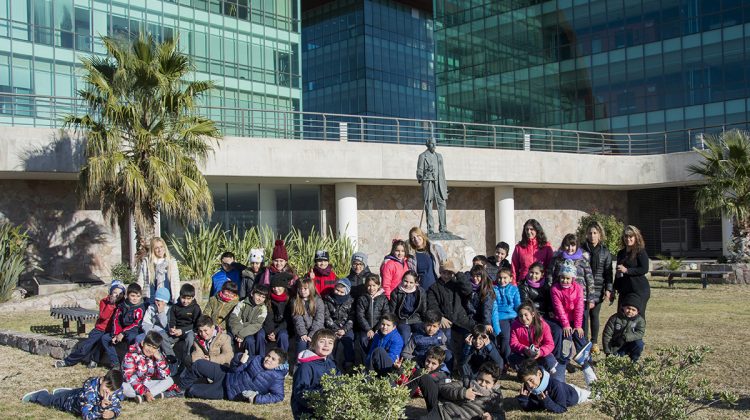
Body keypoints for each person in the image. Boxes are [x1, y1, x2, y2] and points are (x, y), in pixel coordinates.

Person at [54, 281, 126, 368]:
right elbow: (103, 316)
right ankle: (68, 361)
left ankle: (94, 360)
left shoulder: (123, 305)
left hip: (111, 331)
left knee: (101, 344)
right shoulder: (104, 302)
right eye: (115, 292)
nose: (117, 295)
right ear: (110, 292)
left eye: (120, 293)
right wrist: (111, 304)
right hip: (100, 329)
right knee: (85, 347)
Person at [549, 261, 597, 384]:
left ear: (573, 278)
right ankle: (562, 370)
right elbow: (558, 308)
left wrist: (577, 325)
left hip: (575, 321)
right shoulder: (555, 289)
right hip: (562, 320)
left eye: (568, 278)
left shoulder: (578, 288)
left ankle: (588, 370)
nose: (565, 280)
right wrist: (565, 325)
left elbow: (579, 307)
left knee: (581, 340)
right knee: (566, 344)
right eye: (563, 278)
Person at [183, 348, 288, 403]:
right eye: (268, 356)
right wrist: (239, 359)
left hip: (229, 392)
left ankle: (189, 388)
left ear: (278, 364)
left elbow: (279, 396)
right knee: (199, 364)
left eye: (273, 359)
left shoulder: (277, 377)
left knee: (192, 390)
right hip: (226, 375)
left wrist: (256, 398)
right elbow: (235, 369)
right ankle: (180, 388)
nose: (268, 359)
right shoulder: (257, 359)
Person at [22, 369, 124, 419]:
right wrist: (100, 407)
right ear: (102, 380)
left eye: (111, 391)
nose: (108, 392)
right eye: (107, 387)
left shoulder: (115, 390)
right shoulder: (88, 392)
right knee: (52, 401)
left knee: (72, 393)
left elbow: (117, 407)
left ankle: (64, 392)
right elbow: (86, 416)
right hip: (69, 403)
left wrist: (112, 413)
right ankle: (38, 395)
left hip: (77, 394)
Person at [547, 234, 595, 339]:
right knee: (565, 326)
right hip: (561, 296)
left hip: (580, 297)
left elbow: (589, 279)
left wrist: (591, 299)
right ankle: (566, 349)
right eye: (567, 245)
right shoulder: (557, 259)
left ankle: (582, 348)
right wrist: (552, 290)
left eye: (573, 245)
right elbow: (550, 275)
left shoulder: (583, 259)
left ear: (577, 246)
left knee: (581, 325)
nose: (570, 248)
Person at [580, 221, 614, 355]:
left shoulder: (605, 252)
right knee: (584, 316)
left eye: (595, 233)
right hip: (583, 289)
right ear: (586, 235)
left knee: (594, 315)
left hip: (598, 289)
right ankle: (584, 343)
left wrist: (608, 289)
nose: (592, 236)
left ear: (600, 235)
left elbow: (608, 273)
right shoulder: (581, 250)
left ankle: (594, 342)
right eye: (590, 233)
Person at [291, 329, 339, 420]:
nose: (326, 345)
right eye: (322, 341)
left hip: (328, 409)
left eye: (330, 342)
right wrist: (322, 396)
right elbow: (300, 392)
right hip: (308, 411)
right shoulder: (306, 367)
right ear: (313, 344)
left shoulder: (331, 364)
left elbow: (339, 381)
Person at [432, 361, 505, 420]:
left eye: (487, 382)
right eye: (480, 379)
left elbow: (501, 416)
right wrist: (463, 393)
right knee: (425, 379)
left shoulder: (495, 397)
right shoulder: (467, 382)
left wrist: (491, 417)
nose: (482, 384)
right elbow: (443, 388)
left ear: (494, 383)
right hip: (445, 412)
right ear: (477, 376)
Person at [517, 359, 591, 414]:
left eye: (531, 380)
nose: (529, 385)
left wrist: (546, 401)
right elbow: (533, 407)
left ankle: (587, 367)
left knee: (595, 394)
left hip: (576, 394)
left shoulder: (555, 386)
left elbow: (562, 409)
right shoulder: (529, 387)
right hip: (564, 388)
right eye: (526, 383)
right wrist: (524, 399)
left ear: (539, 374)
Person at [427, 260, 474, 344]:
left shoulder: (457, 284)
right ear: (440, 273)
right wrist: (440, 317)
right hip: (445, 321)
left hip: (461, 318)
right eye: (444, 273)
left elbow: (468, 289)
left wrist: (457, 273)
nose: (446, 276)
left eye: (449, 273)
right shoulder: (433, 288)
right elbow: (432, 305)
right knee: (448, 342)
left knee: (470, 337)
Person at [121, 331, 177, 403]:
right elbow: (130, 377)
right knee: (124, 388)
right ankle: (153, 395)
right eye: (148, 345)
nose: (150, 350)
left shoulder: (156, 355)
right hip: (131, 384)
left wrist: (160, 360)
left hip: (146, 383)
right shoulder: (131, 354)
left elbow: (164, 376)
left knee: (169, 380)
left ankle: (144, 397)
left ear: (157, 349)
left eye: (154, 347)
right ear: (142, 343)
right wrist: (145, 391)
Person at [395, 346, 451, 416]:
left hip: (437, 406)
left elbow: (422, 381)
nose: (429, 365)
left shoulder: (442, 374)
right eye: (428, 361)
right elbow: (408, 378)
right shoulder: (419, 363)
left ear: (440, 364)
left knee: (420, 374)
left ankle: (399, 402)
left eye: (434, 363)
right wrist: (399, 369)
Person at [102, 283, 145, 368]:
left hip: (134, 331)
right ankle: (115, 362)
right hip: (121, 331)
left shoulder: (140, 308)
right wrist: (116, 333)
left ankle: (131, 362)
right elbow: (116, 319)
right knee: (105, 338)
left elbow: (137, 324)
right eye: (132, 296)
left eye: (138, 296)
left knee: (132, 339)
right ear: (127, 295)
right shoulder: (122, 306)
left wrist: (123, 333)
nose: (135, 298)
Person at [508, 302, 557, 374]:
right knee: (512, 358)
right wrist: (524, 349)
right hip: (525, 353)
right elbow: (513, 343)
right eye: (520, 316)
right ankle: (525, 372)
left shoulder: (543, 325)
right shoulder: (515, 325)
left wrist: (540, 352)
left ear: (532, 314)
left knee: (548, 360)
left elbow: (549, 343)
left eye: (526, 315)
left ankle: (547, 370)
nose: (523, 318)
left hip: (539, 353)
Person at [615, 225, 651, 318]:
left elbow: (644, 269)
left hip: (639, 290)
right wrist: (614, 288)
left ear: (636, 237)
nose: (628, 239)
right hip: (625, 290)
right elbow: (618, 273)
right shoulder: (621, 253)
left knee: (637, 317)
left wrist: (627, 270)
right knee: (621, 315)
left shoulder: (640, 252)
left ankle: (637, 333)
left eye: (631, 236)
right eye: (626, 236)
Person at [416, 137, 449, 234]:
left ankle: (443, 227)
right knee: (428, 205)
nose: (434, 146)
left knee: (442, 204)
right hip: (429, 182)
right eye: (432, 144)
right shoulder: (422, 156)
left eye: (435, 144)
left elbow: (442, 173)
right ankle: (430, 228)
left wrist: (445, 186)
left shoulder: (439, 156)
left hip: (439, 183)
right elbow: (419, 171)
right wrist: (425, 174)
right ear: (427, 144)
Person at [323, 278, 355, 371]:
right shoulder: (327, 299)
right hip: (331, 326)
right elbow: (327, 316)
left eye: (342, 292)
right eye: (337, 290)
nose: (338, 293)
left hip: (345, 328)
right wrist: (336, 329)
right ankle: (330, 363)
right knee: (330, 341)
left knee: (349, 340)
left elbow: (351, 318)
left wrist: (344, 330)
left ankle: (349, 363)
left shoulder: (351, 301)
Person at [228, 284, 269, 357]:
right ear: (252, 293)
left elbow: (256, 325)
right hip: (239, 330)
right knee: (248, 340)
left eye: (263, 297)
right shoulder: (242, 303)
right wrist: (238, 334)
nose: (260, 299)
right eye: (258, 295)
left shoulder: (263, 309)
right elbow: (234, 318)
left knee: (255, 337)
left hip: (251, 331)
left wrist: (241, 334)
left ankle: (259, 358)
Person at [602, 293, 646, 362]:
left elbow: (640, 333)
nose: (630, 311)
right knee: (615, 363)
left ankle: (634, 360)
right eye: (628, 308)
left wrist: (625, 337)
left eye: (633, 310)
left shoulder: (640, 320)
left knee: (639, 344)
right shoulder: (615, 318)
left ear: (637, 312)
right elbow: (607, 335)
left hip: (631, 343)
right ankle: (616, 356)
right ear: (623, 307)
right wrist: (608, 352)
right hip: (616, 346)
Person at [136, 237, 180, 304]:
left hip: (168, 299)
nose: (160, 250)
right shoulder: (146, 262)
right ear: (153, 250)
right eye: (156, 248)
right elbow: (140, 281)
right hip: (150, 298)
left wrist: (176, 299)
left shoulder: (171, 262)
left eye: (161, 247)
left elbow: (176, 282)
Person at [355, 273, 389, 358]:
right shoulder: (362, 298)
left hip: (379, 327)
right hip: (365, 328)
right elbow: (360, 315)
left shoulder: (383, 298)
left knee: (379, 340)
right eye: (369, 286)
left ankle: (376, 359)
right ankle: (367, 359)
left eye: (374, 285)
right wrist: (368, 329)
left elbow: (385, 314)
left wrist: (377, 328)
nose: (371, 288)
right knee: (363, 340)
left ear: (378, 285)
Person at [491, 267, 520, 363]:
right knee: (505, 337)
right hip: (501, 317)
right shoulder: (494, 290)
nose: (502, 280)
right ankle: (507, 360)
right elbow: (494, 309)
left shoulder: (514, 289)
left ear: (510, 278)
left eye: (505, 278)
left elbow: (518, 305)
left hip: (514, 316)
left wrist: (521, 318)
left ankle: (517, 358)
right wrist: (496, 326)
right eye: (499, 278)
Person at [389, 270, 427, 344]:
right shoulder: (396, 292)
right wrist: (392, 323)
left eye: (411, 282)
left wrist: (425, 321)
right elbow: (392, 311)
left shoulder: (421, 292)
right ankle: (404, 354)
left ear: (415, 283)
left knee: (422, 332)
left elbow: (424, 309)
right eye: (405, 281)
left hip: (416, 318)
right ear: (402, 280)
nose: (407, 284)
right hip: (401, 319)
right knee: (405, 334)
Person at [511, 219, 554, 284]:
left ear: (537, 230)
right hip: (523, 283)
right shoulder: (519, 247)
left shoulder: (546, 246)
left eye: (531, 229)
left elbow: (550, 266)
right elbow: (514, 267)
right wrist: (513, 283)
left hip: (541, 284)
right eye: (527, 229)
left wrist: (549, 282)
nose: (528, 231)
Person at [168, 283, 202, 363]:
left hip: (189, 331)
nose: (185, 301)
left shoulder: (196, 308)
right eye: (183, 298)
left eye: (188, 298)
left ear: (193, 298)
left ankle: (187, 358)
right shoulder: (175, 307)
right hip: (176, 332)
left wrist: (182, 330)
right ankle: (172, 359)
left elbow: (197, 324)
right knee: (162, 336)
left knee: (190, 337)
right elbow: (172, 320)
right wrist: (172, 328)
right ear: (180, 296)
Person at [138, 287, 175, 359]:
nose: (158, 302)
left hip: (164, 333)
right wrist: (150, 331)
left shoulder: (170, 309)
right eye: (157, 300)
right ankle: (139, 359)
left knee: (159, 342)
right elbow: (145, 323)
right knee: (138, 338)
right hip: (150, 332)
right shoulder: (151, 308)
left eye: (161, 301)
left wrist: (161, 313)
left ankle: (168, 358)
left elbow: (167, 326)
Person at [291, 277, 325, 354]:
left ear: (311, 288)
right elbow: (297, 319)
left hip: (316, 331)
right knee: (302, 344)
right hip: (302, 331)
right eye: (300, 288)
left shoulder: (318, 301)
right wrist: (303, 333)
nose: (302, 291)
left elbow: (319, 320)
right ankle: (299, 363)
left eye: (305, 288)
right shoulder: (295, 301)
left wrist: (311, 334)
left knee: (316, 344)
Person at [263, 273, 293, 353]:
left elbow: (288, 320)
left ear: (284, 287)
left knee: (283, 335)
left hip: (284, 327)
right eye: (274, 287)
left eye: (279, 286)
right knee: (260, 335)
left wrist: (275, 332)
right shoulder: (269, 299)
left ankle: (284, 358)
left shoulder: (290, 299)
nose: (276, 289)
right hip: (270, 327)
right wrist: (270, 332)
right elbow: (268, 318)